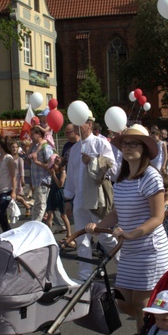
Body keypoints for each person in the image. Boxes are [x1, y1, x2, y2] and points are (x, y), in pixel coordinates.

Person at [86, 125, 168, 329]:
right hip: (130, 249)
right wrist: (97, 227)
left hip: (150, 249)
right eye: (125, 144)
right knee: (123, 302)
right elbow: (116, 213)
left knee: (141, 304)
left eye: (134, 144)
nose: (128, 148)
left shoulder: (151, 176)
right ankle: (156, 326)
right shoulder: (122, 180)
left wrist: (132, 234)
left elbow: (158, 217)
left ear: (144, 149)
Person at [64, 114, 119, 280]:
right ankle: (84, 275)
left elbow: (113, 170)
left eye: (79, 123)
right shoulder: (74, 148)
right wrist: (68, 198)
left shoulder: (100, 143)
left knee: (104, 236)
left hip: (96, 197)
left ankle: (123, 265)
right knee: (82, 239)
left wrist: (93, 162)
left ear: (89, 124)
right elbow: (71, 176)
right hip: (79, 200)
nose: (76, 127)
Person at [25, 127, 54, 222]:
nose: (31, 136)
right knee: (38, 204)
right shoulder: (34, 147)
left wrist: (37, 162)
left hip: (43, 181)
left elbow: (50, 165)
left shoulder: (45, 147)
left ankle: (36, 225)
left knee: (41, 205)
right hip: (36, 181)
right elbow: (29, 162)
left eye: (33, 134)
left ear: (39, 135)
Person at [0, 136, 16, 232]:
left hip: (6, 191)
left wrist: (13, 191)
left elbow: (13, 176)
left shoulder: (8, 158)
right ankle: (7, 233)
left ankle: (9, 231)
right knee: (2, 215)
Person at [45, 156, 72, 240]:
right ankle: (48, 235)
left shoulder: (63, 172)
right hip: (52, 193)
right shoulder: (54, 170)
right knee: (50, 215)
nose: (56, 158)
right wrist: (47, 185)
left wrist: (53, 175)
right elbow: (54, 184)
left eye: (58, 158)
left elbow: (60, 185)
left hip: (60, 194)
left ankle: (69, 234)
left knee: (63, 215)